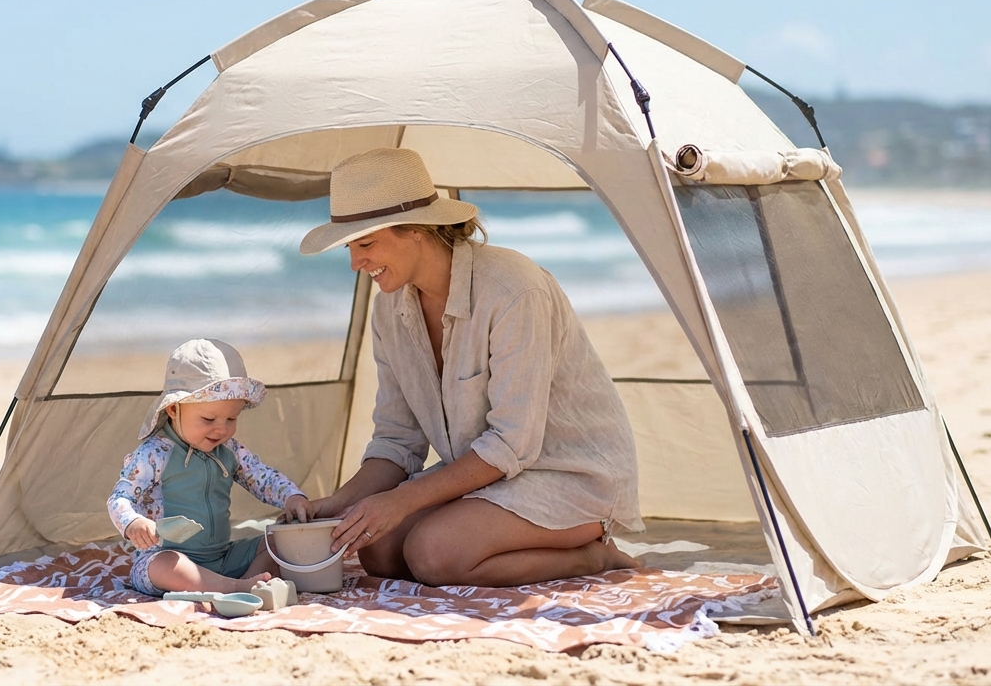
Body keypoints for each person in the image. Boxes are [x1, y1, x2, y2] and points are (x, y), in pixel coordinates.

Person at [298, 147, 643, 588]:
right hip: (489, 480)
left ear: (417, 230)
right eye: (351, 246)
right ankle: (466, 535)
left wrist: (401, 501)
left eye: (365, 243)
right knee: (378, 549)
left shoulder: (514, 291)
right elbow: (397, 438)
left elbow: (512, 444)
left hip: (570, 478)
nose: (354, 262)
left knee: (434, 554)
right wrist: (338, 504)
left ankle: (593, 558)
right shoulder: (389, 310)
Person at [108, 338, 312, 596]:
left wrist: (292, 496)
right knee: (166, 566)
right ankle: (237, 588)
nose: (222, 428)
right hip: (168, 559)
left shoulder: (229, 450)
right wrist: (133, 522)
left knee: (277, 542)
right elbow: (119, 498)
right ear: (173, 409)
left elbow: (262, 477)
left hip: (222, 559)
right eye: (208, 419)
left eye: (231, 418)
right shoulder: (154, 453)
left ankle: (250, 588)